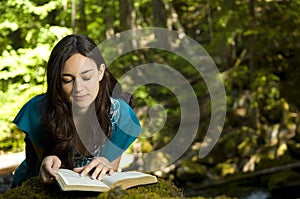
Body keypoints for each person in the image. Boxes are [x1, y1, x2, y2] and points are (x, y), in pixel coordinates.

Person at [11, 34, 142, 187]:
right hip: (33, 188)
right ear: (57, 81)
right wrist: (48, 161)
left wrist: (105, 163)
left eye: (86, 77)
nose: (78, 89)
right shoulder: (36, 111)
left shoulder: (121, 116)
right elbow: (47, 173)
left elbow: (108, 178)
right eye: (67, 80)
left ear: (100, 72)